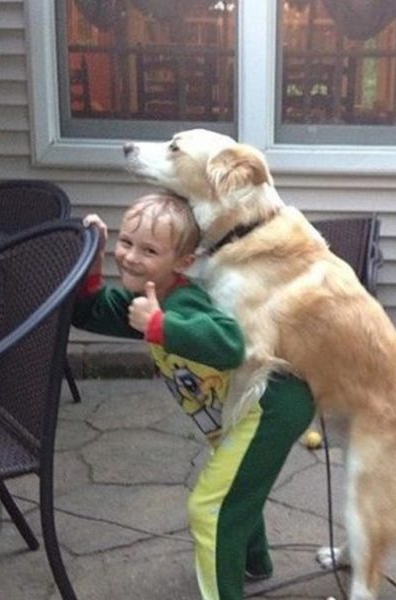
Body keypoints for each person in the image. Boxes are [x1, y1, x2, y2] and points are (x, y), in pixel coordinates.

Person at [72, 193, 315, 600]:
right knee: (235, 485)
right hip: (239, 410)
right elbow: (88, 312)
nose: (130, 257)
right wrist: (92, 260)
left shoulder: (183, 300)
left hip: (270, 405)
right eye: (126, 242)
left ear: (183, 263)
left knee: (210, 508)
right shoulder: (149, 297)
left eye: (149, 250)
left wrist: (159, 325)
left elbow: (229, 343)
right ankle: (254, 563)